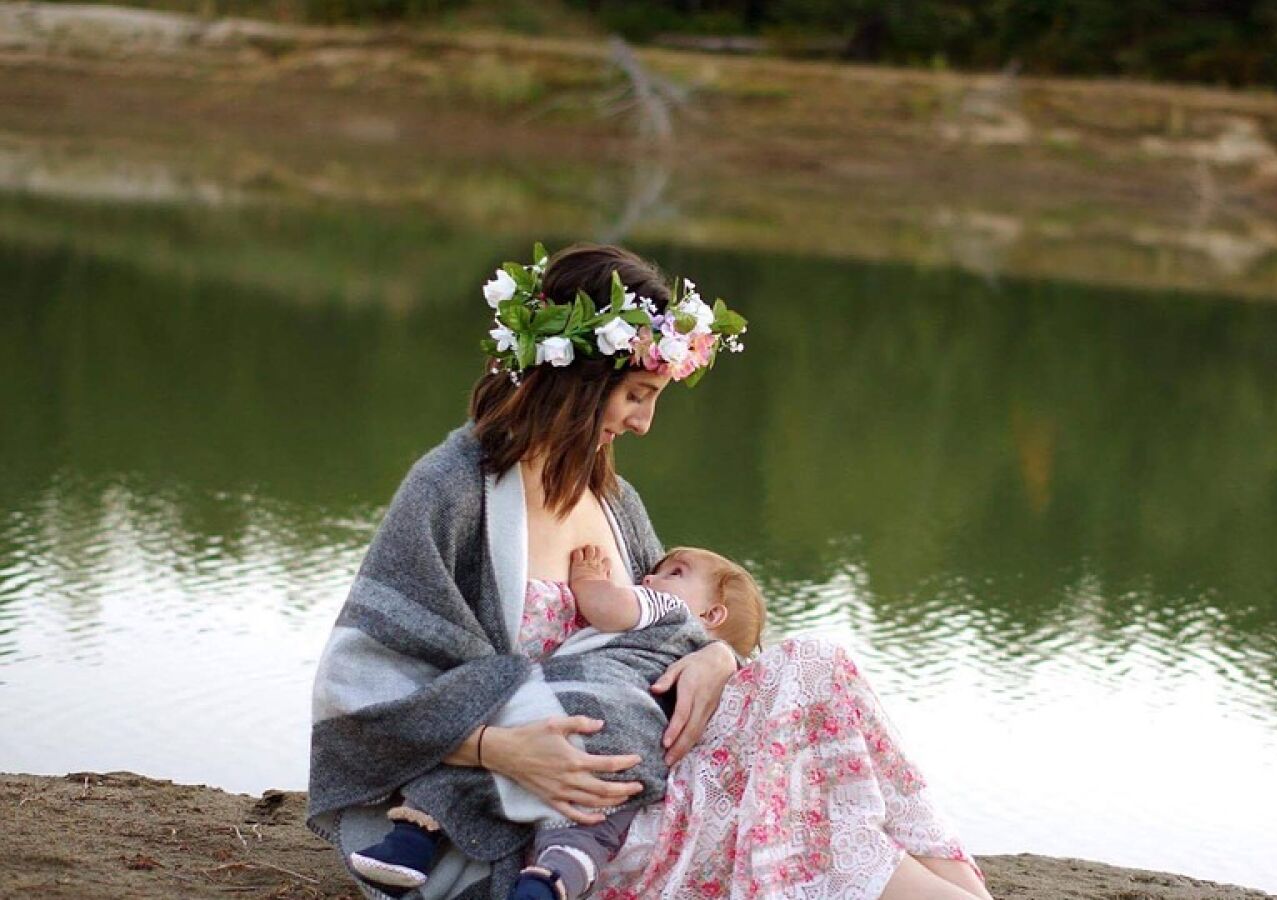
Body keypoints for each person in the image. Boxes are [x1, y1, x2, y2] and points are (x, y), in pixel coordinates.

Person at [308, 242, 991, 900]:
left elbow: (660, 637)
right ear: (577, 379)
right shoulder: (453, 492)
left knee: (817, 668)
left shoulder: (614, 503)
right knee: (807, 819)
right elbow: (354, 693)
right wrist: (498, 750)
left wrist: (717, 658)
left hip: (635, 770)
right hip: (533, 821)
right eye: (636, 394)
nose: (644, 423)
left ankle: (965, 892)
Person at [346, 543, 766, 900]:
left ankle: (408, 846)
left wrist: (589, 580)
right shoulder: (702, 672)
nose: (650, 577)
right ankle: (547, 883)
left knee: (474, 763)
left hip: (582, 703)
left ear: (712, 615)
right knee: (592, 823)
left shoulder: (669, 610)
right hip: (636, 751)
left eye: (674, 573)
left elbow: (607, 608)